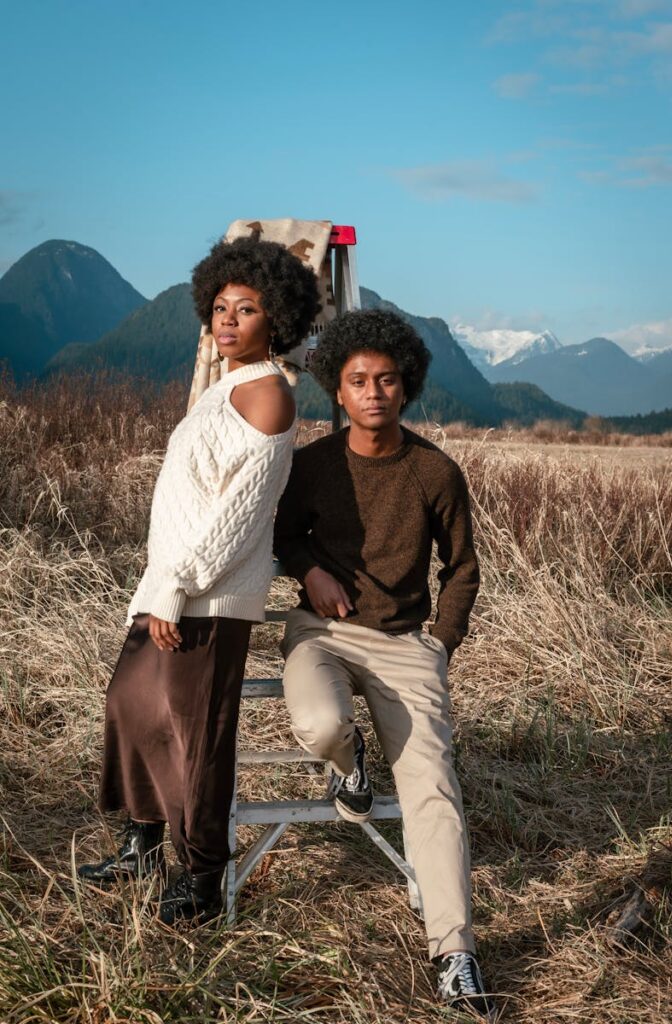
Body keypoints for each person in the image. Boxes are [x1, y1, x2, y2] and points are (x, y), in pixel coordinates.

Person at [78, 236, 320, 926]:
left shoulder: (269, 396)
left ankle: (202, 878)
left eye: (247, 309)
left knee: (196, 737)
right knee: (132, 705)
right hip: (169, 588)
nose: (228, 320)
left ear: (277, 320)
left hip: (208, 595)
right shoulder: (222, 386)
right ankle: (142, 847)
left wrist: (179, 586)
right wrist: (161, 585)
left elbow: (239, 517)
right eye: (219, 307)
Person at [273, 309, 497, 1020]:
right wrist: (310, 572)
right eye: (358, 380)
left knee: (433, 786)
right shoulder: (313, 465)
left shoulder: (435, 471)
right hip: (322, 632)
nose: (374, 392)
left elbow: (462, 568)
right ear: (337, 391)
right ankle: (350, 768)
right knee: (321, 723)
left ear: (407, 386)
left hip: (405, 647)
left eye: (387, 380)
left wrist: (441, 643)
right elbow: (283, 536)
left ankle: (455, 953)